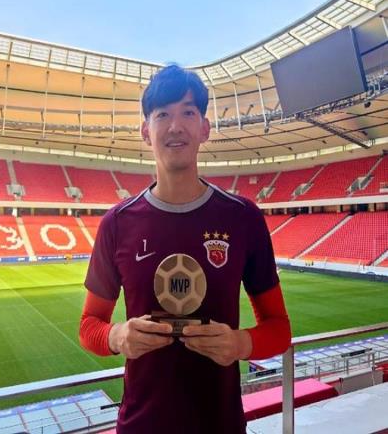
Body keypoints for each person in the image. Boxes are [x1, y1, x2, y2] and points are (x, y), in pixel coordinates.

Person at [79, 64, 291, 433]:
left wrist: (240, 343)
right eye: (162, 114)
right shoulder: (117, 222)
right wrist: (117, 336)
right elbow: (88, 326)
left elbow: (279, 328)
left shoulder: (242, 217)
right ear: (146, 131)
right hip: (141, 426)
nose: (175, 126)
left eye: (188, 113)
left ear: (204, 128)